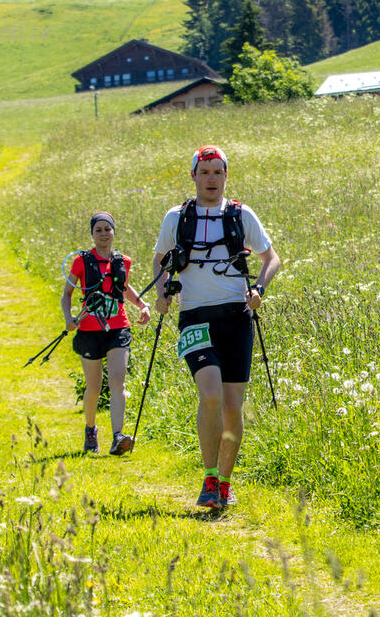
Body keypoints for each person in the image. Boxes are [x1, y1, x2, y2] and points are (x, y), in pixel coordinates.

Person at [153, 145, 280, 509]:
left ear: (226, 175)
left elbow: (271, 258)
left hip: (237, 317)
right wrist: (163, 292)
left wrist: (259, 289)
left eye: (218, 172)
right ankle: (209, 477)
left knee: (231, 405)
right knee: (209, 394)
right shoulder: (177, 217)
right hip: (195, 315)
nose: (212, 179)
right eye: (205, 172)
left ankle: (224, 482)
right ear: (192, 176)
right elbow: (160, 260)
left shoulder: (241, 215)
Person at [62, 212, 152, 455]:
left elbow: (123, 287)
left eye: (107, 229)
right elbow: (67, 294)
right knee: (93, 387)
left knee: (117, 382)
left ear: (114, 232)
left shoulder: (123, 261)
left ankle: (117, 436)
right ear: (92, 234)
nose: (103, 234)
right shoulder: (81, 261)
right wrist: (68, 318)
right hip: (89, 329)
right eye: (98, 230)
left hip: (118, 328)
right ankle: (90, 429)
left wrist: (142, 305)